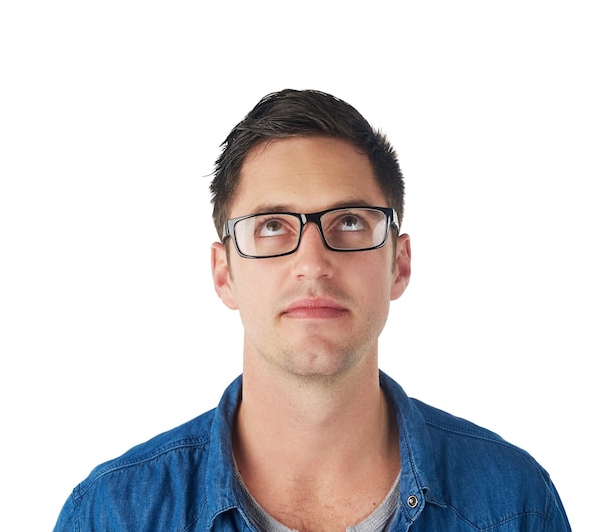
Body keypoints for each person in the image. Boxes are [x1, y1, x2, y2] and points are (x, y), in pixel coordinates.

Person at [53, 89, 571, 531]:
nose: (312, 263)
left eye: (349, 222)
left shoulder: (514, 505)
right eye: (272, 226)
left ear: (400, 264)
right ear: (223, 272)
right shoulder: (111, 514)